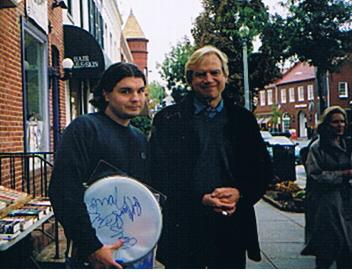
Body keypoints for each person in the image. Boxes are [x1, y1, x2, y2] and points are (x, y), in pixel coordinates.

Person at [149, 45, 273, 268]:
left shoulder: (243, 120)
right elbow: (158, 174)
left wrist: (240, 193)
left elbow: (262, 170)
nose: (209, 79)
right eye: (201, 74)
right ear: (190, 79)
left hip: (231, 226)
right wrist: (199, 199)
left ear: (225, 76)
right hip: (185, 227)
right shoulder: (169, 120)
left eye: (215, 72)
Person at [49, 62, 148, 269]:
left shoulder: (139, 138)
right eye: (125, 91)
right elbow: (64, 191)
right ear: (106, 94)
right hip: (92, 256)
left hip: (134, 253)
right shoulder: (85, 128)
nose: (135, 98)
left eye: (140, 91)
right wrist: (91, 247)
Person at [301, 106, 352, 268]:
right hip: (325, 204)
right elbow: (315, 174)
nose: (340, 125)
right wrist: (342, 175)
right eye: (335, 122)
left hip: (346, 201)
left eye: (342, 122)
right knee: (327, 250)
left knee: (347, 250)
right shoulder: (318, 147)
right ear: (326, 124)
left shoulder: (347, 145)